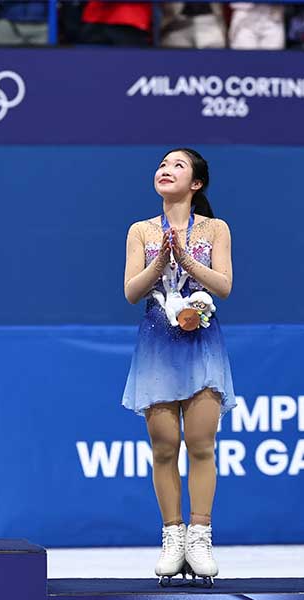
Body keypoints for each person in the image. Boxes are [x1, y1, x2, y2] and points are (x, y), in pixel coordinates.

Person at [122, 148, 235, 586]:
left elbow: (224, 285)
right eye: (163, 164)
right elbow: (132, 291)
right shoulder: (140, 230)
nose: (165, 170)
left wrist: (187, 260)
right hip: (157, 344)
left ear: (196, 184)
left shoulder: (216, 228)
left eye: (178, 166)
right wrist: (160, 261)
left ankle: (201, 536)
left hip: (202, 341)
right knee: (165, 445)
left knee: (201, 443)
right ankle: (172, 537)